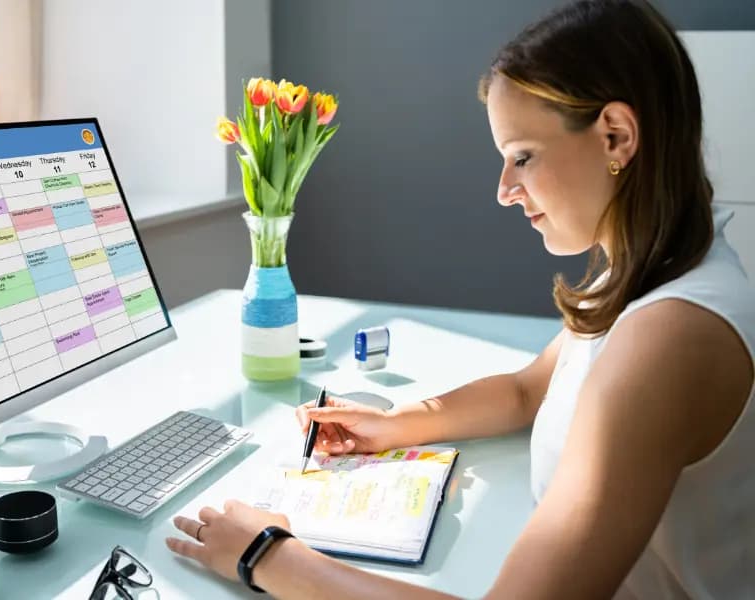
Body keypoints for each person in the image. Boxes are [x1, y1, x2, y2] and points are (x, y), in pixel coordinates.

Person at [166, 0, 755, 597]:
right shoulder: (651, 268)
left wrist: (267, 555)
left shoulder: (671, 336)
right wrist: (394, 424)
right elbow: (531, 389)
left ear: (616, 136)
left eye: (522, 157)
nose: (504, 191)